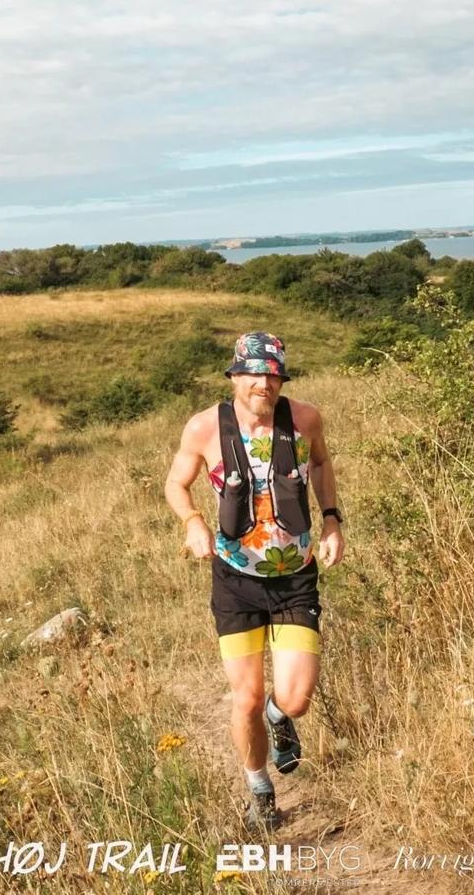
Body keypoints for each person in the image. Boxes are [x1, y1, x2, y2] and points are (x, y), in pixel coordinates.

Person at [164, 331, 345, 830]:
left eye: (271, 375)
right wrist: (193, 522)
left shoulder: (304, 419)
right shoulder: (203, 428)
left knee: (297, 697)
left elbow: (323, 463)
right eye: (252, 375)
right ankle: (260, 789)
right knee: (242, 696)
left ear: (281, 379)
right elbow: (175, 483)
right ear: (235, 377)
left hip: (295, 578)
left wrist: (332, 521)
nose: (262, 384)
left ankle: (278, 715)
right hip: (235, 579)